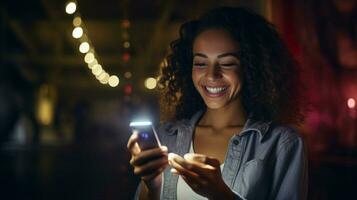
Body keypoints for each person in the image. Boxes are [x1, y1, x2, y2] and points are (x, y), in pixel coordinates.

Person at [127, 7, 308, 200]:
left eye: (227, 63)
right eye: (201, 63)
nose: (212, 75)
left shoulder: (281, 143)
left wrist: (221, 195)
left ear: (251, 68)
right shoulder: (165, 137)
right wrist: (152, 186)